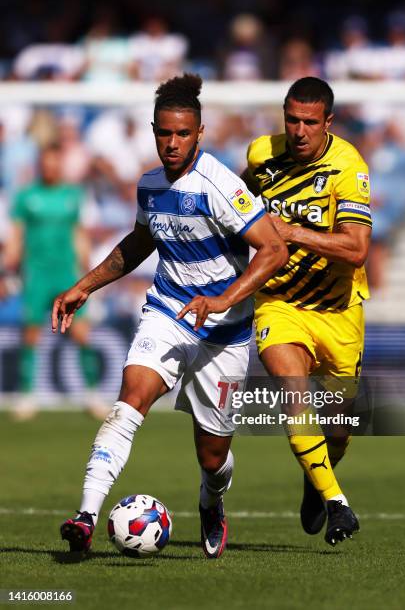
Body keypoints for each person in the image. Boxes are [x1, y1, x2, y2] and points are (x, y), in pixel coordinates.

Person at [53, 73, 288, 559]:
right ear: (153, 130)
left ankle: (212, 499)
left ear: (199, 133)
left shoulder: (220, 185)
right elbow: (140, 244)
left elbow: (274, 250)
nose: (172, 143)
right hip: (168, 312)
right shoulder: (150, 185)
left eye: (183, 134)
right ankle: (86, 516)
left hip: (224, 332)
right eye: (164, 133)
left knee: (212, 455)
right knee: (129, 400)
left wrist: (224, 300)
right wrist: (84, 286)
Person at [242, 77, 372, 546]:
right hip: (279, 303)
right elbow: (237, 207)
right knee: (294, 393)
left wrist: (293, 232)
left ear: (328, 123)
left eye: (310, 122)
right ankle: (338, 504)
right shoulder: (261, 155)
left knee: (338, 427)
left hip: (338, 310)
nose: (299, 131)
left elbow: (356, 249)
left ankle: (316, 476)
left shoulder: (348, 166)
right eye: (292, 120)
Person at [3, 144, 105, 420]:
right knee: (31, 334)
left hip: (66, 274)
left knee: (81, 333)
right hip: (36, 273)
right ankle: (27, 396)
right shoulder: (26, 196)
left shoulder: (72, 196)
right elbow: (15, 238)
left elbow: (79, 235)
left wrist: (89, 274)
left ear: (59, 164)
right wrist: (8, 271)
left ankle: (92, 394)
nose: (49, 167)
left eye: (53, 162)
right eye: (45, 162)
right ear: (39, 164)